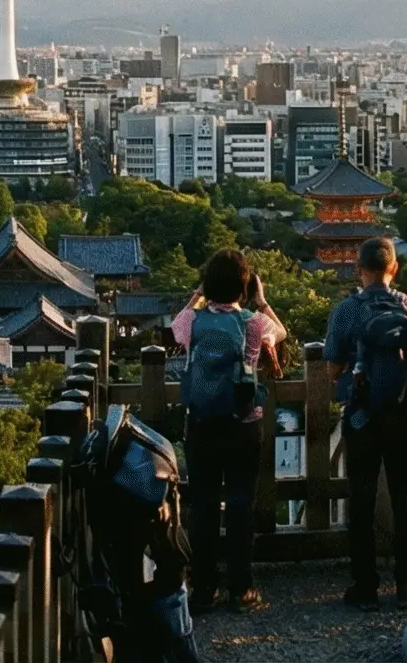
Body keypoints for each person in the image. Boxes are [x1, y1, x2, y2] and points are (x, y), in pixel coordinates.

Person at [326, 236, 407, 612]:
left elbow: (332, 367)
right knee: (406, 498)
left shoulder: (347, 310)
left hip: (362, 417)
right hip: (405, 417)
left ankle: (365, 586)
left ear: (359, 269)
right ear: (394, 269)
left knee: (360, 498)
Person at [171, 248, 286, 615]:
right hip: (244, 423)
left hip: (202, 424)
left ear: (208, 285)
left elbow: (176, 325)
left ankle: (204, 589)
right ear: (244, 287)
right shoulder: (254, 324)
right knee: (240, 505)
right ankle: (242, 588)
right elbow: (280, 331)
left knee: (203, 506)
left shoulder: (194, 323)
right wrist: (262, 300)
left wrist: (197, 293)